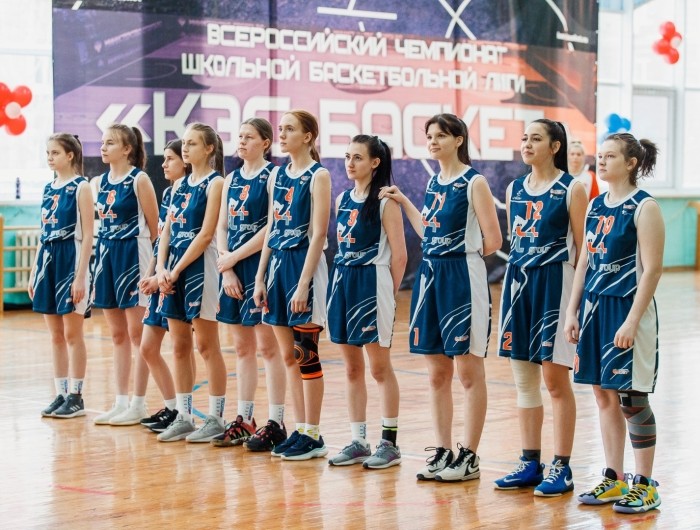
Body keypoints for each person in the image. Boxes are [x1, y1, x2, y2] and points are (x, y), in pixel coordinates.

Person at [380, 113, 502, 481]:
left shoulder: (474, 182)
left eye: (440, 136)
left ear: (459, 140)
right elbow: (428, 231)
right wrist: (405, 202)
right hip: (430, 277)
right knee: (437, 373)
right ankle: (443, 450)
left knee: (468, 371)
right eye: (429, 136)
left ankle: (470, 457)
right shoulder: (434, 182)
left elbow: (494, 240)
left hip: (461, 278)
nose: (432, 142)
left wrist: (461, 258)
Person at [565, 133, 664, 514]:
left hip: (627, 308)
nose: (601, 162)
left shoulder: (645, 207)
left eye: (610, 156)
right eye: (600, 156)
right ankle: (614, 476)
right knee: (603, 395)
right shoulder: (595, 205)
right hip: (594, 308)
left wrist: (632, 321)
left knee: (632, 400)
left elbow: (652, 270)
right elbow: (585, 262)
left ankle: (645, 485)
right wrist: (572, 311)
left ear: (631, 163)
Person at [494, 119, 588, 496]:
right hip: (519, 284)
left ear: (555, 146)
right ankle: (530, 462)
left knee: (555, 380)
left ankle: (562, 466)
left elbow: (583, 252)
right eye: (524, 138)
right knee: (524, 380)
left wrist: (576, 305)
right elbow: (515, 241)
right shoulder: (514, 188)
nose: (527, 144)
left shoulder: (572, 188)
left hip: (556, 284)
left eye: (536, 138)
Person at [253, 109, 331, 461]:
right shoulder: (277, 175)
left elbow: (319, 235)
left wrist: (303, 284)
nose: (281, 135)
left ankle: (313, 434)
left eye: (289, 129)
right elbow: (271, 228)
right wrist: (260, 277)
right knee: (288, 355)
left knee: (306, 354)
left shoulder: (319, 176)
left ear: (308, 136)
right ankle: (300, 429)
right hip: (277, 269)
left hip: (304, 268)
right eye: (280, 129)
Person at [327, 135, 407, 469]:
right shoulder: (342, 199)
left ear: (375, 162)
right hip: (343, 282)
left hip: (372, 285)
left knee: (379, 367)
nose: (350, 163)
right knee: (351, 367)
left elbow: (400, 256)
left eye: (357, 157)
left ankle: (389, 443)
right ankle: (358, 440)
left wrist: (388, 293)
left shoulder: (386, 202)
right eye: (348, 156)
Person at [210, 118, 287, 450]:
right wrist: (226, 268)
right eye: (239, 136)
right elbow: (221, 226)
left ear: (265, 143)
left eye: (249, 137)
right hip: (232, 267)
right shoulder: (231, 179)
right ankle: (244, 419)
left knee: (268, 348)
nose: (241, 141)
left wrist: (234, 258)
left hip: (260, 265)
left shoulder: (273, 176)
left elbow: (272, 227)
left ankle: (276, 421)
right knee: (242, 348)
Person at [155, 123, 227, 443]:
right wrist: (162, 268)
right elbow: (167, 232)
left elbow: (206, 234)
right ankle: (183, 416)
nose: (185, 148)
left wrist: (176, 269)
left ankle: (216, 418)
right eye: (184, 143)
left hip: (201, 268)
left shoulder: (216, 183)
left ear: (209, 148)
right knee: (179, 345)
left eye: (193, 143)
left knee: (207, 346)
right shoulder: (178, 186)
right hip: (173, 269)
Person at [92, 124, 158, 426]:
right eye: (103, 142)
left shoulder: (139, 179)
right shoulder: (99, 182)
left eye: (110, 143)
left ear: (127, 149)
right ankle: (120, 401)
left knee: (136, 333)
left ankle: (138, 403)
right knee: (117, 334)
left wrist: (154, 268)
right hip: (107, 255)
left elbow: (156, 229)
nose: (103, 147)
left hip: (134, 253)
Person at [29, 133, 93, 418]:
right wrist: (34, 271)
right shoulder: (48, 188)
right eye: (47, 153)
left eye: (55, 152)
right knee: (55, 335)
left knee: (72, 333)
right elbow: (43, 232)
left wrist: (80, 277)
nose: (50, 158)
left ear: (70, 155)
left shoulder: (81, 187)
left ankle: (76, 396)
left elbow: (89, 235)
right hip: (48, 260)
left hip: (71, 258)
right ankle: (61, 392)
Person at [138, 139, 195, 433]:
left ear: (185, 161)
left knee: (182, 347)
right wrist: (152, 273)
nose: (164, 164)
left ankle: (185, 412)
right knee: (148, 348)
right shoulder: (169, 193)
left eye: (170, 158)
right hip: (161, 277)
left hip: (179, 278)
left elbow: (195, 239)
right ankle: (173, 408)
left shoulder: (197, 191)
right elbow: (161, 239)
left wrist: (169, 273)